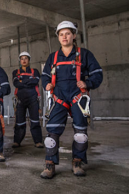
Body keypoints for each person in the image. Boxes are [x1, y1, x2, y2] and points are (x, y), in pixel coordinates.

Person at [40, 21, 103, 179]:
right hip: (58, 97)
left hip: (78, 97)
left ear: (74, 35)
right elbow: (45, 75)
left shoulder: (84, 54)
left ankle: (77, 162)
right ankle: (50, 164)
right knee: (51, 135)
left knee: (81, 134)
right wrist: (46, 84)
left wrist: (87, 83)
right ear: (58, 38)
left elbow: (97, 73)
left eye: (67, 33)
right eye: (61, 34)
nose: (64, 37)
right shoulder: (53, 57)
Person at [11, 51, 44, 148]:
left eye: (26, 58)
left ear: (29, 60)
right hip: (20, 100)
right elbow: (16, 83)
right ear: (20, 61)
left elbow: (35, 81)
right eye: (22, 58)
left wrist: (22, 81)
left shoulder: (35, 71)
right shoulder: (15, 72)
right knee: (19, 121)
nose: (24, 60)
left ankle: (38, 141)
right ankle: (17, 141)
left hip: (33, 99)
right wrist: (28, 81)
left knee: (35, 121)